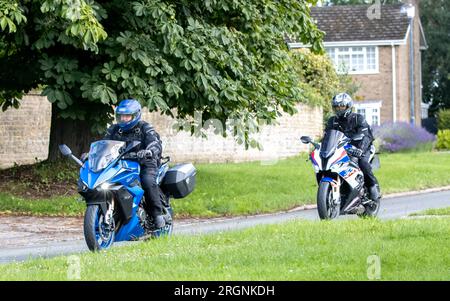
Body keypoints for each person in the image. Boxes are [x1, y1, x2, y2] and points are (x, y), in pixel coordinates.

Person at [104, 99, 167, 228]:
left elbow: (155, 142)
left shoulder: (145, 128)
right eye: (121, 116)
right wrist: (91, 154)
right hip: (122, 164)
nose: (124, 119)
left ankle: (157, 215)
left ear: (135, 115)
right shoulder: (114, 130)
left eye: (127, 116)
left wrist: (149, 151)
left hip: (145, 163)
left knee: (147, 182)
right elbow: (104, 144)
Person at [325, 93, 381, 201]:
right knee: (331, 165)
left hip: (362, 147)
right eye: (336, 106)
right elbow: (327, 137)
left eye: (342, 106)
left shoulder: (358, 118)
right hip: (343, 149)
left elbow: (366, 136)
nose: (339, 109)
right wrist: (320, 148)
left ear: (348, 106)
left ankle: (372, 187)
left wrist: (360, 150)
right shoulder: (332, 121)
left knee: (363, 163)